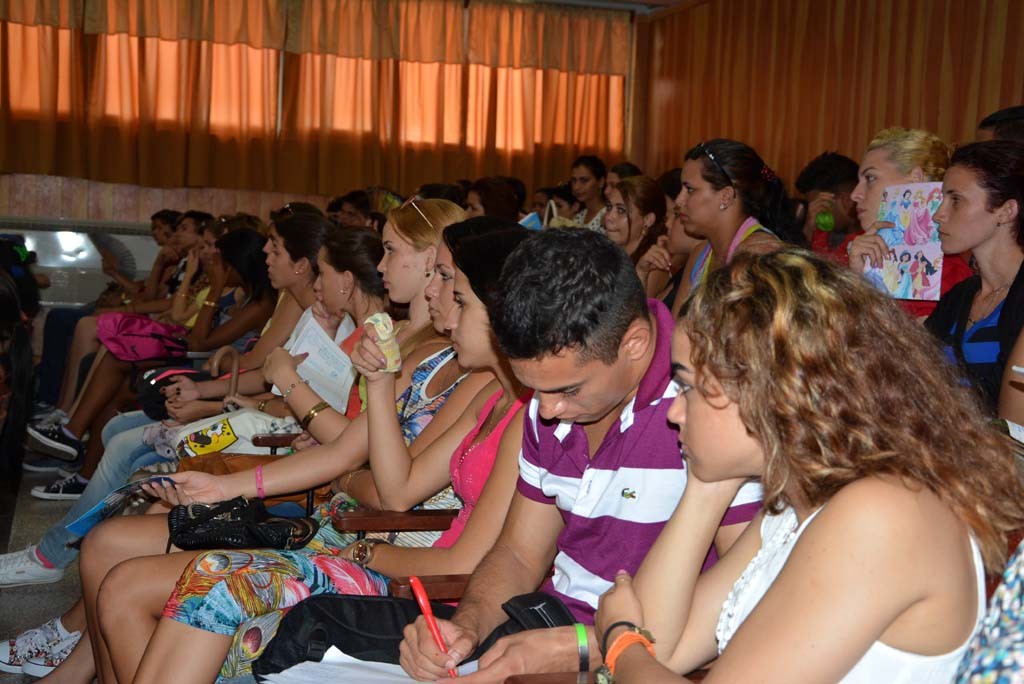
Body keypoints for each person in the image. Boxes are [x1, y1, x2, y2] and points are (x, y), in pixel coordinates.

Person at [593, 248, 1024, 684]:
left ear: (767, 388)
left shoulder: (882, 512)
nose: (674, 413)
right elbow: (665, 650)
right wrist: (707, 484)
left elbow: (641, 645)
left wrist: (620, 642)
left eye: (687, 386)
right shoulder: (791, 508)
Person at [399, 229, 762, 682]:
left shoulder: (711, 410)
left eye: (568, 389)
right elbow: (517, 554)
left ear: (634, 344)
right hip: (561, 635)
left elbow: (739, 605)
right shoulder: (549, 400)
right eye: (534, 388)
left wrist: (582, 650)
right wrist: (466, 628)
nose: (546, 410)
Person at [924, 140, 1024, 421]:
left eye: (955, 200)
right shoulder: (960, 296)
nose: (938, 214)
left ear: (1006, 211)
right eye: (942, 199)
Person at [847, 127, 974, 319]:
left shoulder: (951, 276)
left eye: (870, 178)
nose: (855, 194)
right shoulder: (852, 249)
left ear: (915, 180)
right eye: (859, 180)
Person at [672, 139, 798, 312]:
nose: (679, 201)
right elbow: (675, 329)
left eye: (690, 189)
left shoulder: (761, 258)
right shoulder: (700, 255)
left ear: (726, 197)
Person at [794, 151, 861, 258]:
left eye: (818, 207)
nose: (814, 215)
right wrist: (807, 231)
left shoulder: (870, 241)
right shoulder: (818, 236)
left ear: (847, 200)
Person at [603, 175, 667, 265]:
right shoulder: (604, 253)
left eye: (621, 210)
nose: (608, 217)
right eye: (609, 207)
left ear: (648, 220)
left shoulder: (653, 265)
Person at [571, 155, 609, 231]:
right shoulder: (578, 216)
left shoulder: (608, 216)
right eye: (574, 180)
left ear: (601, 182)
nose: (576, 187)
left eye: (584, 180)